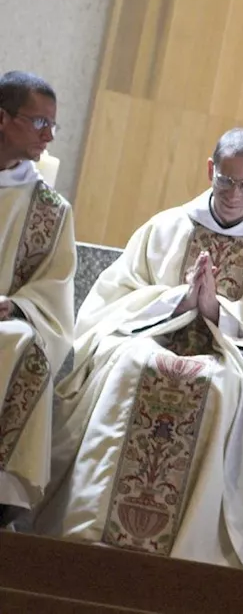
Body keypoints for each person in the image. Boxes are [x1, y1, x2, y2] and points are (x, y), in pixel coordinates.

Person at [36, 128, 243, 568]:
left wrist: (220, 312)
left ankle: (197, 554)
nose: (233, 193)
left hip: (232, 364)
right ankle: (87, 531)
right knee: (130, 367)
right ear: (211, 170)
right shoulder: (167, 227)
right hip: (150, 342)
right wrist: (177, 300)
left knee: (220, 388)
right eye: (226, 180)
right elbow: (109, 300)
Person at [0, 71, 74, 522]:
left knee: (21, 345)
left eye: (53, 125)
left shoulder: (49, 208)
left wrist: (16, 304)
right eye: (39, 122)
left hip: (5, 324)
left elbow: (54, 289)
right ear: (3, 119)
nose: (48, 135)